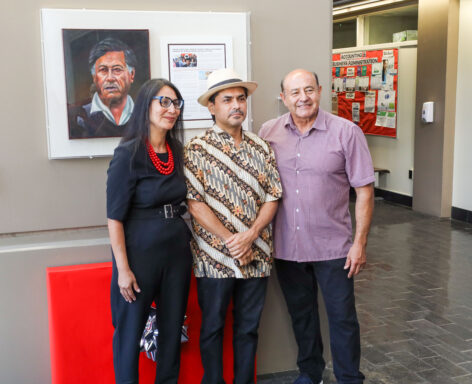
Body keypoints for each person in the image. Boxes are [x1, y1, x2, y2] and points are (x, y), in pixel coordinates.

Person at [259, 69, 375, 384]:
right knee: (302, 315)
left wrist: (360, 243)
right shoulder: (268, 132)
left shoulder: (346, 132)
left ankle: (350, 378)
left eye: (308, 89)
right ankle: (310, 373)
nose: (303, 98)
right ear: (283, 98)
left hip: (333, 247)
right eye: (294, 92)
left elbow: (364, 190)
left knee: (342, 318)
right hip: (285, 246)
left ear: (320, 91)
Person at [184, 68, 282, 384]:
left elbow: (272, 197)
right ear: (211, 106)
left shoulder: (262, 146)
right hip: (214, 257)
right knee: (212, 327)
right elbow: (194, 203)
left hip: (257, 253)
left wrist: (250, 236)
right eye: (227, 99)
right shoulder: (196, 148)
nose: (236, 105)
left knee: (248, 327)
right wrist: (231, 240)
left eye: (241, 98)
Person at [107, 78, 192, 384]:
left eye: (176, 103)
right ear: (146, 105)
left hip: (177, 252)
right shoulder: (128, 154)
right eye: (164, 102)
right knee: (129, 333)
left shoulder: (176, 150)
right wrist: (123, 270)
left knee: (171, 330)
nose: (171, 110)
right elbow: (114, 218)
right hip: (139, 254)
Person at [69, 37, 137, 139]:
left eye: (117, 69)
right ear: (94, 77)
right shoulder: (78, 118)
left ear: (131, 75)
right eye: (103, 70)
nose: (110, 78)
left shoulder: (146, 115)